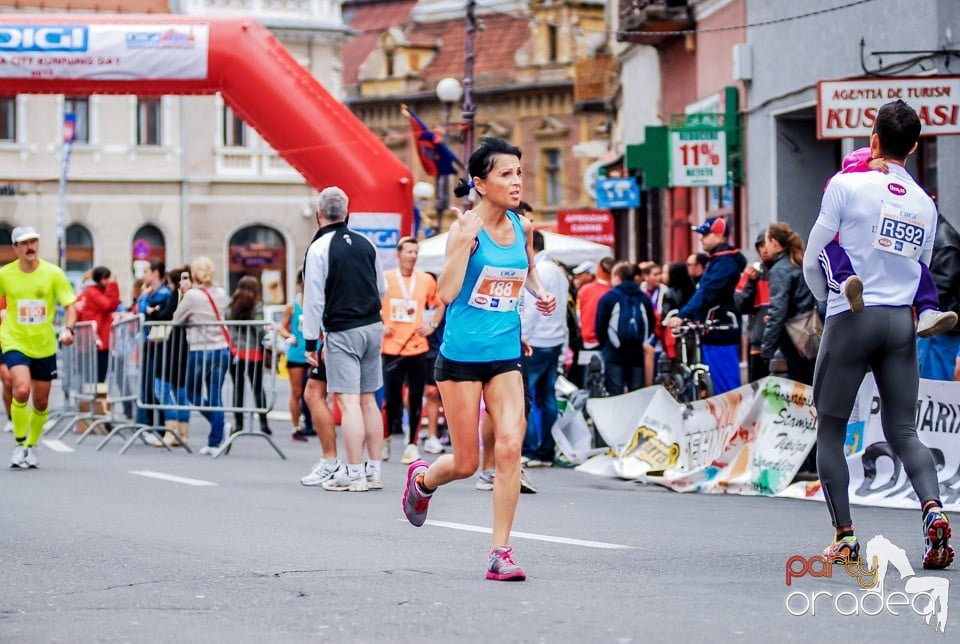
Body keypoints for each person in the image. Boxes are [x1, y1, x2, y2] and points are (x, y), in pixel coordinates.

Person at [802, 99, 952, 569]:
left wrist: (827, 302)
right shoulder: (925, 202)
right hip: (901, 322)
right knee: (905, 430)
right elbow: (923, 267)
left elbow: (812, 256)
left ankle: (845, 537)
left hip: (852, 314)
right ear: (913, 146)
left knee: (830, 427)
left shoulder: (846, 185)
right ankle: (933, 512)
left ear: (873, 139)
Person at [401, 136, 556, 581]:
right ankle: (423, 481)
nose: (516, 181)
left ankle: (500, 552)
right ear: (480, 183)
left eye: (519, 173)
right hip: (462, 356)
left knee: (509, 448)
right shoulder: (463, 229)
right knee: (467, 463)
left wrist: (541, 294)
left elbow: (524, 271)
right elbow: (447, 292)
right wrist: (465, 244)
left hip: (506, 353)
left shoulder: (522, 227)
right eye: (506, 173)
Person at [817, 147, 956, 337]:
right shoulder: (848, 181)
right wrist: (865, 165)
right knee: (918, 266)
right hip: (859, 242)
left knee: (916, 265)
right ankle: (926, 309)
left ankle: (845, 283)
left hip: (862, 243)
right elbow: (840, 179)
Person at [301, 186, 386, 492]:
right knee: (368, 400)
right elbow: (382, 288)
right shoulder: (366, 243)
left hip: (343, 329)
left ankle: (353, 472)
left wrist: (311, 342)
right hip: (373, 325)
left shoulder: (320, 248)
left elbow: (313, 299)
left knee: (348, 402)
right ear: (347, 212)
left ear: (319, 214)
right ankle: (373, 469)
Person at [0, 226, 77, 469]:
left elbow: (70, 305)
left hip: (44, 344)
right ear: (15, 248)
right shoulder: (5, 274)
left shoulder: (53, 273)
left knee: (41, 402)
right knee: (21, 390)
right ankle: (20, 444)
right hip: (15, 340)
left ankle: (32, 446)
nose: (30, 246)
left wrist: (69, 329)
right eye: (24, 243)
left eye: (33, 242)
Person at [381, 236, 444, 465]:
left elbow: (440, 303)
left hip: (418, 346)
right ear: (399, 255)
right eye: (408, 251)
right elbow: (370, 303)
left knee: (417, 397)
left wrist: (433, 326)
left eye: (415, 252)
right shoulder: (386, 279)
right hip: (392, 347)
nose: (413, 256)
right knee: (392, 399)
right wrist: (380, 324)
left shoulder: (426, 279)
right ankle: (386, 439)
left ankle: (412, 445)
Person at [666, 218, 747, 394]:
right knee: (718, 382)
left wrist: (682, 315)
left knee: (725, 387)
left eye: (705, 234)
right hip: (716, 328)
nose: (701, 238)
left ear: (719, 235)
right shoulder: (719, 260)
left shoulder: (725, 262)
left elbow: (707, 292)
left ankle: (730, 420)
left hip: (720, 328)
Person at [172, 257, 231, 456]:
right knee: (215, 394)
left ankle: (219, 428)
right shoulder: (221, 293)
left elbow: (177, 319)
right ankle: (216, 437)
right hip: (221, 348)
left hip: (200, 349)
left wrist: (184, 294)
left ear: (194, 274)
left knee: (192, 394)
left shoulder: (192, 296)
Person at [520, 230, 568, 467]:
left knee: (525, 397)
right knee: (546, 397)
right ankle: (546, 450)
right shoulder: (558, 271)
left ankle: (529, 450)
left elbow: (531, 308)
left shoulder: (538, 271)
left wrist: (522, 337)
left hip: (536, 341)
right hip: (555, 340)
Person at [761, 223, 817, 385]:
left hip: (793, 334)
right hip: (811, 329)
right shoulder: (799, 263)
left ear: (773, 242)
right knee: (811, 380)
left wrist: (767, 348)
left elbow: (778, 311)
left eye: (766, 242)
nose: (765, 247)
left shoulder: (780, 270)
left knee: (799, 382)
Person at [595, 261, 656, 394]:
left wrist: (606, 346)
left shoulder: (608, 298)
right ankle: (635, 415)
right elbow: (651, 323)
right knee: (636, 393)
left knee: (615, 392)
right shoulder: (644, 298)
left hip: (614, 352)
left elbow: (600, 326)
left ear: (617, 277)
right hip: (637, 352)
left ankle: (617, 414)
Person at [227, 275, 271, 436]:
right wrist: (265, 344)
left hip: (235, 352)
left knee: (237, 389)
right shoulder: (256, 306)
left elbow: (227, 326)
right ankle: (264, 424)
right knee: (258, 388)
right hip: (253, 353)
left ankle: (238, 423)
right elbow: (259, 330)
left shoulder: (231, 306)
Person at [919, 214, 960, 380]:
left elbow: (940, 287)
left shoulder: (945, 241)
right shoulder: (943, 236)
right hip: (940, 322)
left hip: (941, 325)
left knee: (934, 376)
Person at [279, 270, 314, 442]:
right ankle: (296, 427)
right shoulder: (292, 306)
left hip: (314, 352)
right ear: (300, 283)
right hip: (297, 353)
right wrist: (288, 336)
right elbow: (281, 327)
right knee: (297, 392)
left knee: (315, 392)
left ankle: (312, 423)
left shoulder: (318, 302)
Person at [735, 233, 773, 382]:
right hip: (758, 341)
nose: (764, 250)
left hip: (784, 342)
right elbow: (740, 306)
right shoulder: (752, 272)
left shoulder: (786, 269)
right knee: (758, 391)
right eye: (760, 246)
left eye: (767, 244)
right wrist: (751, 282)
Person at [74, 265, 120, 384]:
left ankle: (96, 400)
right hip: (96, 341)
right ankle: (94, 401)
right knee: (95, 378)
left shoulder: (92, 293)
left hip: (97, 341)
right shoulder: (92, 292)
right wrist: (113, 285)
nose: (109, 281)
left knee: (98, 377)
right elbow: (109, 305)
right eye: (107, 279)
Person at [576, 256, 613, 352]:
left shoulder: (584, 290)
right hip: (606, 342)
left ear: (598, 269)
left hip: (587, 340)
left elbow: (578, 316)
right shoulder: (613, 292)